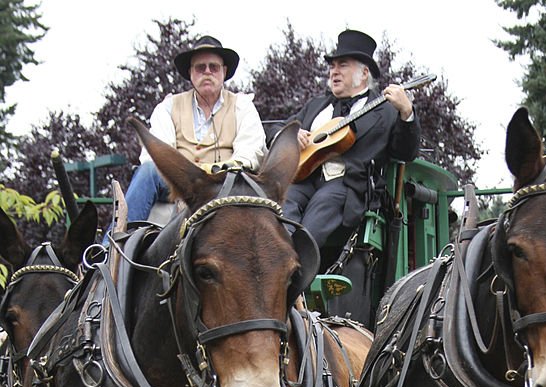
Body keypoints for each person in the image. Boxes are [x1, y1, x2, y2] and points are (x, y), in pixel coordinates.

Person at [281, 30, 421, 250]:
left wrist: (406, 113)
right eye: (332, 66)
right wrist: (291, 135)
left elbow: (405, 153)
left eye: (342, 65)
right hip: (305, 178)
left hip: (347, 185)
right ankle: (276, 259)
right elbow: (276, 129)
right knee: (281, 203)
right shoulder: (316, 105)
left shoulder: (385, 111)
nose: (334, 72)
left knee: (322, 206)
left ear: (364, 73)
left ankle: (295, 265)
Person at [124, 35, 267, 223]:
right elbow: (157, 154)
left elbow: (251, 152)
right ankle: (113, 247)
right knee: (148, 171)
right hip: (179, 183)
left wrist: (217, 171)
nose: (207, 72)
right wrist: (184, 175)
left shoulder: (242, 106)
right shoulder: (167, 107)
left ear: (223, 71)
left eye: (213, 67)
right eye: (200, 68)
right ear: (191, 73)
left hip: (223, 185)